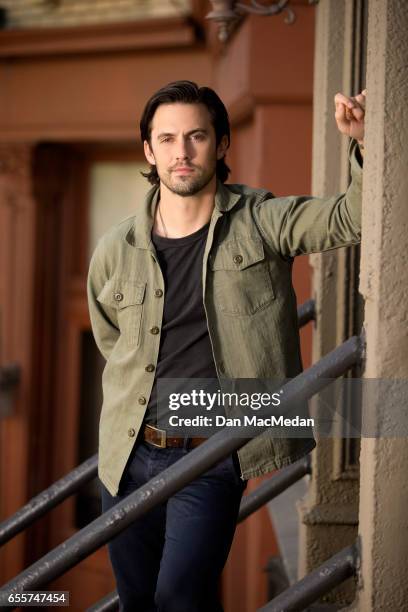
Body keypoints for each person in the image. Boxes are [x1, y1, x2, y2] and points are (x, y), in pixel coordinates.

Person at [87, 80, 366, 611]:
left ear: (221, 143)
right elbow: (113, 342)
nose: (181, 152)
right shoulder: (115, 248)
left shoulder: (261, 221)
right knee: (136, 599)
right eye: (166, 139)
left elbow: (348, 218)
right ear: (149, 150)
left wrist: (364, 145)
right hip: (127, 452)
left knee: (179, 598)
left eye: (196, 136)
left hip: (212, 454)